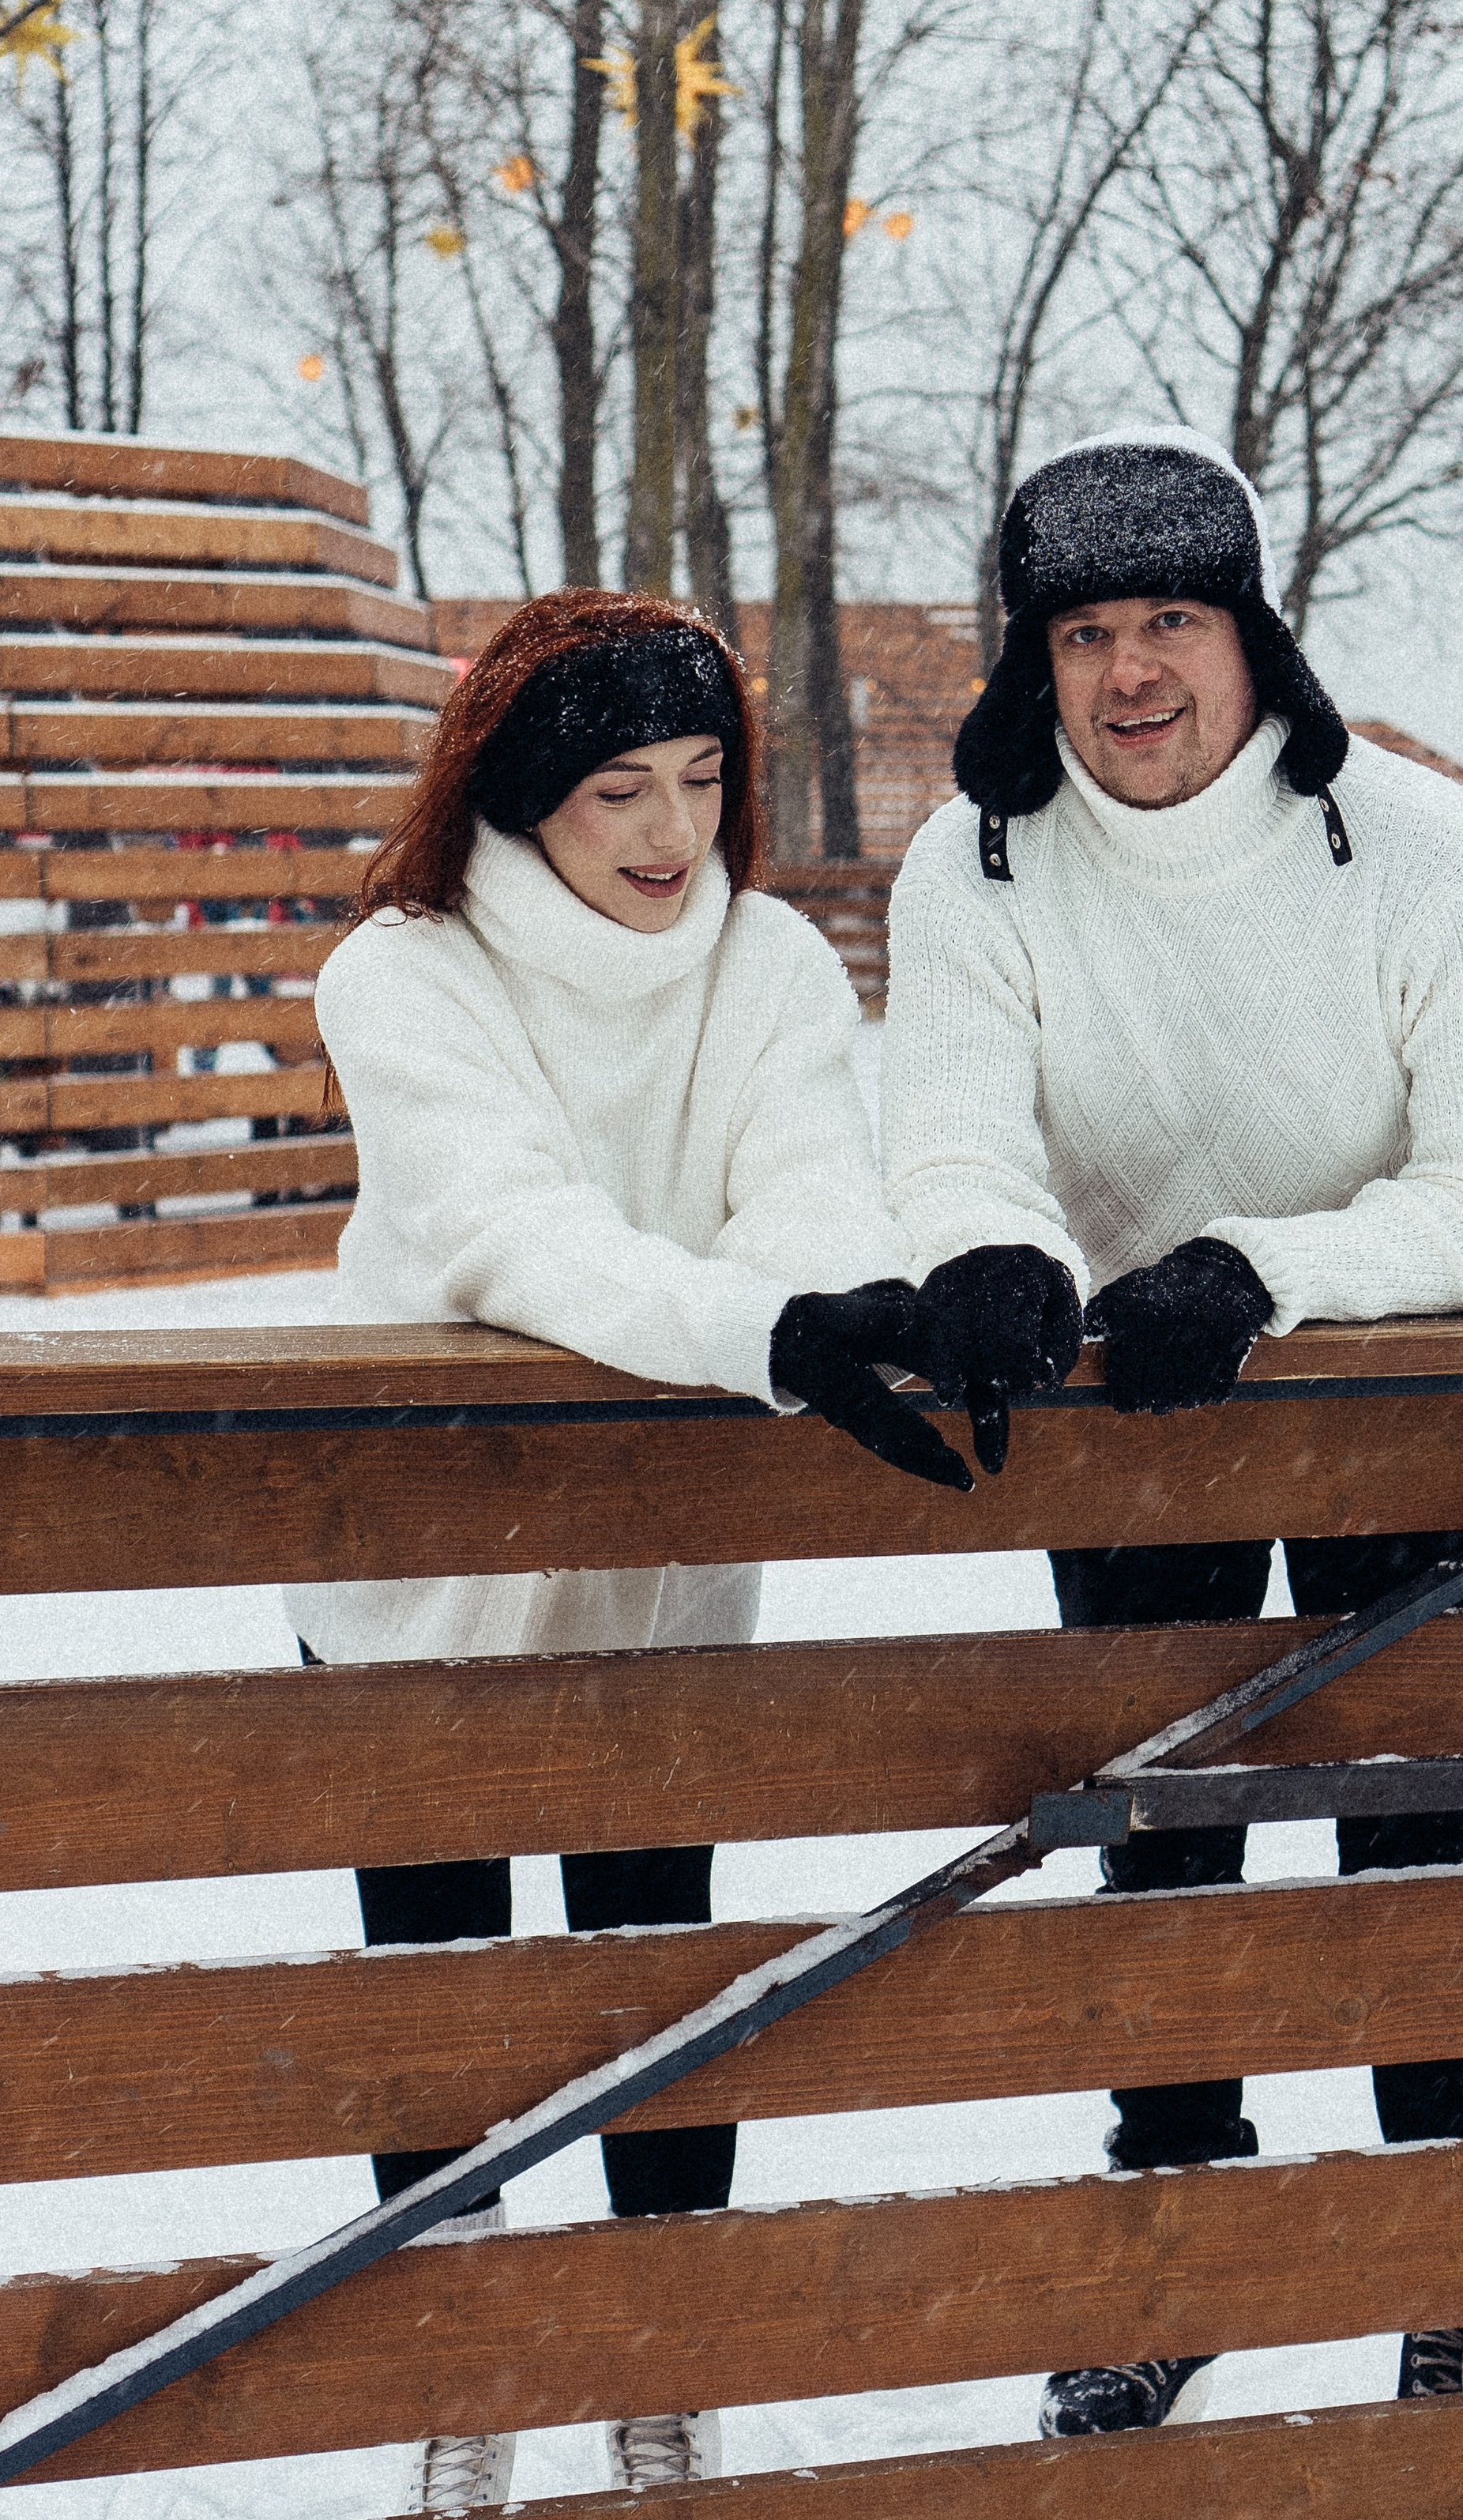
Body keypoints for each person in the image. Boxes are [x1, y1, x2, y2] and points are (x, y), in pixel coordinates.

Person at [881, 427, 1463, 2439]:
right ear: (1039, 659)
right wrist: (997, 1254)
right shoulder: (976, 859)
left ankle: (1458, 2261)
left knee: (1409, 1851)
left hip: (1387, 1411)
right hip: (1137, 1426)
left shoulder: (1418, 847)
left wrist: (1257, 1268)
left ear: (1248, 632)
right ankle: (1175, 2242)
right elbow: (948, 1134)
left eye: (1170, 618)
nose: (1131, 671)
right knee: (1150, 1842)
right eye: (1085, 629)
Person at [299, 591, 968, 2515]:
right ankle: (459, 2370)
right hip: (419, 1575)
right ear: (523, 798)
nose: (669, 829)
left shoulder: (761, 962)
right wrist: (765, 1331)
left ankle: (658, 2368)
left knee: (656, 1983)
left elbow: (809, 1184)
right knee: (440, 1999)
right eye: (618, 789)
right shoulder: (404, 974)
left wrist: (832, 1290)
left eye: (700, 779)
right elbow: (509, 1234)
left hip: (666, 1568)